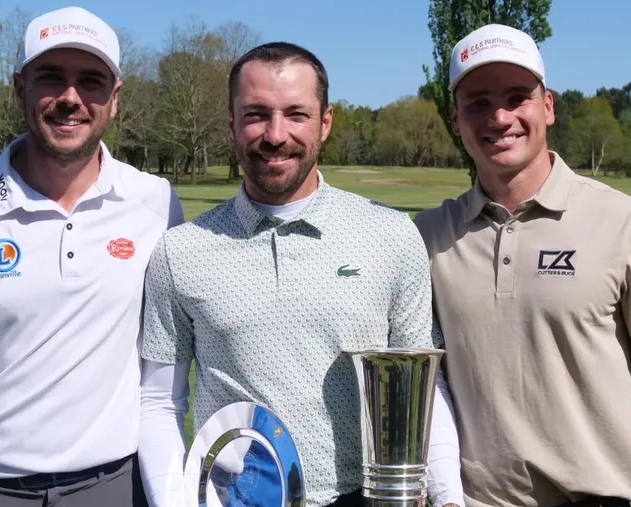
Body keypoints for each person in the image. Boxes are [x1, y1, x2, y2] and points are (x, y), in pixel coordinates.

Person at [137, 42, 464, 507]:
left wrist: (448, 494)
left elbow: (424, 390)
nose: (275, 134)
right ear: (231, 123)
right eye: (255, 114)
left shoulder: (391, 234)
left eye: (296, 114)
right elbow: (160, 404)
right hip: (237, 499)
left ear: (325, 122)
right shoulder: (181, 250)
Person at [413, 23, 631, 507]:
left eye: (516, 97)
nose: (499, 117)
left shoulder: (626, 222)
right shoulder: (428, 236)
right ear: (455, 119)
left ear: (547, 106)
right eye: (478, 102)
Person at [0, 6, 183, 507]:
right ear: (19, 88)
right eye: (50, 78)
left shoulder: (154, 202)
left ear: (115, 98)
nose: (70, 98)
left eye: (91, 81)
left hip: (112, 487)